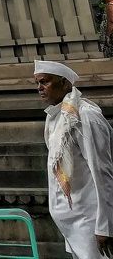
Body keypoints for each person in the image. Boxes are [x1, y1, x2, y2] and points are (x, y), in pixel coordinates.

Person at [34, 60, 113, 259]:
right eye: (37, 83)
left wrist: (105, 226)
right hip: (71, 221)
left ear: (65, 83)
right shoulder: (54, 117)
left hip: (91, 220)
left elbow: (103, 172)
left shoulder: (86, 116)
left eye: (45, 82)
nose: (40, 88)